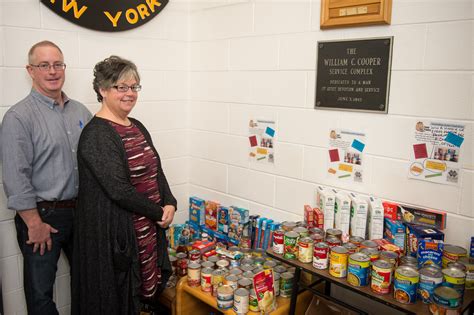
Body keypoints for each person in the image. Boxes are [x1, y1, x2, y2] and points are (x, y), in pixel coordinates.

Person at [72, 56, 176, 315]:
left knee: (147, 298)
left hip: (148, 231)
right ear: (102, 90)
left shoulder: (137, 126)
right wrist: (159, 212)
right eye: (121, 87)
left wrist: (170, 202)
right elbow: (119, 190)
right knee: (122, 300)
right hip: (121, 236)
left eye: (134, 87)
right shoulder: (97, 135)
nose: (130, 94)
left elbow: (156, 170)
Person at [1, 41, 92, 315]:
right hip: (43, 217)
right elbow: (16, 176)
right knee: (40, 295)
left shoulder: (80, 112)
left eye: (58, 64)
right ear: (30, 70)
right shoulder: (18, 117)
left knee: (88, 284)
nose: (52, 71)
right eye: (44, 65)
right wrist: (33, 222)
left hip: (82, 213)